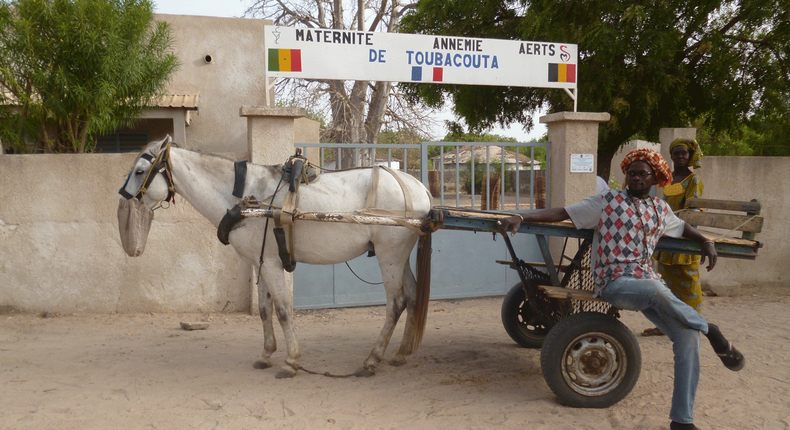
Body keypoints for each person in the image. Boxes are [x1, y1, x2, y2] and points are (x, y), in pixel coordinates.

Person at [498, 148, 744, 430]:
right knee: (655, 288)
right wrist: (522, 217)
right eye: (631, 173)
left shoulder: (660, 209)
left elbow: (683, 226)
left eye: (643, 174)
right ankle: (710, 329)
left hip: (647, 283)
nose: (636, 178)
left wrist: (706, 241)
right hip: (613, 282)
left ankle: (682, 420)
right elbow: (563, 212)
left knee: (687, 337)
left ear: (655, 179)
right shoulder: (607, 201)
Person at [644, 139, 705, 337]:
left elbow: (692, 209)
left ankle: (692, 324)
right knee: (664, 285)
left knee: (689, 281)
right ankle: (664, 325)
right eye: (676, 153)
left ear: (690, 156)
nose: (680, 157)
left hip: (682, 233)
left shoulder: (693, 180)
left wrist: (674, 224)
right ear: (671, 156)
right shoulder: (669, 178)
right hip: (665, 233)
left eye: (684, 154)